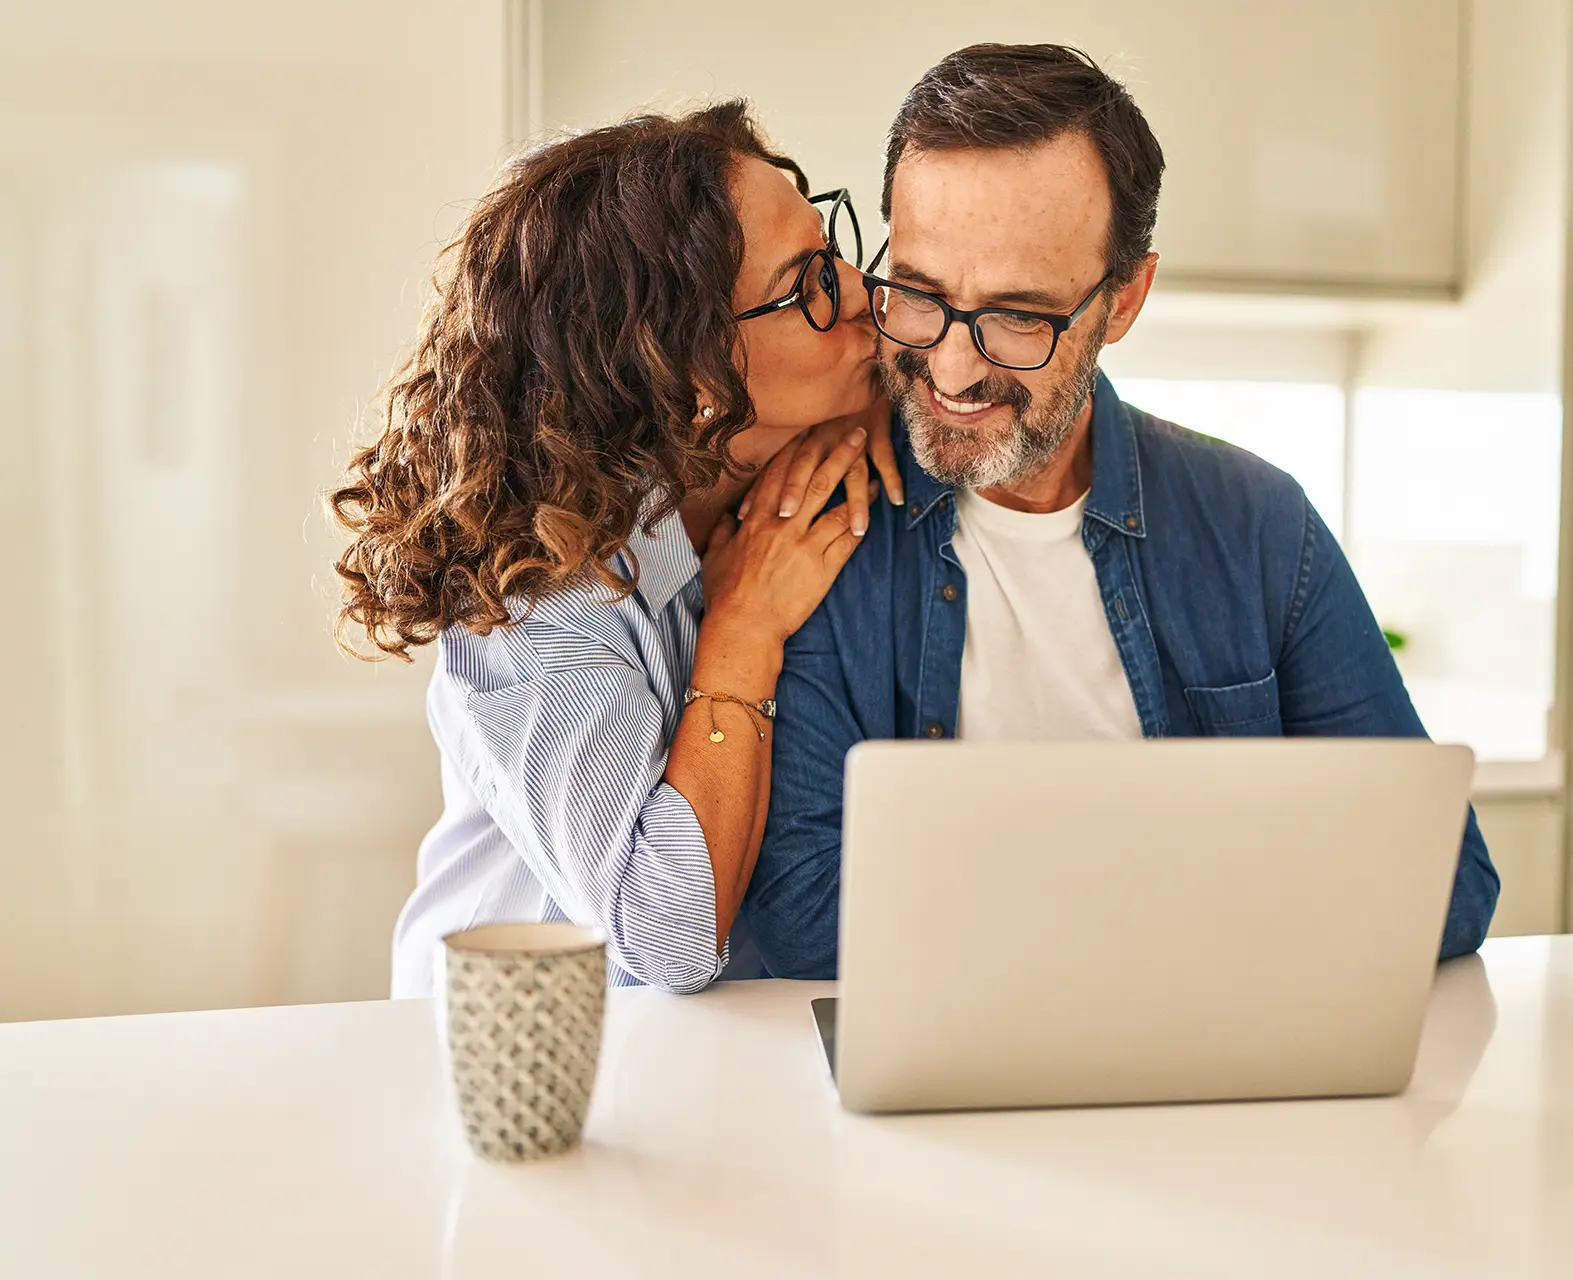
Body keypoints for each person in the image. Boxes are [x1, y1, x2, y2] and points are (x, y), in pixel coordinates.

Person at [739, 44, 1500, 977]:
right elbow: (803, 919)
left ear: (1125, 298)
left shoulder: (1258, 525)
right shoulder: (821, 530)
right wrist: (1207, 895)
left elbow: (1448, 884)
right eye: (922, 295)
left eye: (1020, 316)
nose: (952, 367)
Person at [331, 103, 903, 998]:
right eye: (810, 286)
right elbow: (667, 936)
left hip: (720, 1057)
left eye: (834, 252)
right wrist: (743, 628)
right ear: (693, 377)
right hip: (517, 1064)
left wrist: (881, 403)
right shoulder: (531, 603)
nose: (865, 298)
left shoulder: (779, 470)